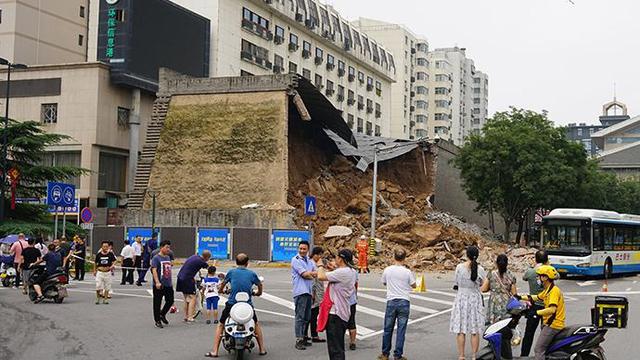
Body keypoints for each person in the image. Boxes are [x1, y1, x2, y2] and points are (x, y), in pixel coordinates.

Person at [206, 253, 267, 357]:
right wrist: (259, 293)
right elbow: (259, 285)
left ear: (236, 262)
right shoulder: (252, 274)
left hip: (232, 304)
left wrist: (221, 290)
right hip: (247, 305)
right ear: (247, 263)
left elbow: (223, 284)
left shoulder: (231, 272)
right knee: (256, 324)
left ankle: (215, 351)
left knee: (221, 324)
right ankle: (262, 349)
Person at [316, 249, 358, 360]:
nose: (335, 259)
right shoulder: (352, 271)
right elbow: (338, 273)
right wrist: (332, 268)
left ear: (341, 259)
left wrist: (320, 265)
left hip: (336, 314)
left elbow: (320, 276)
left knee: (335, 349)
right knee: (338, 345)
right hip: (344, 312)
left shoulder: (342, 272)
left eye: (336, 257)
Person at [517, 265, 565, 360]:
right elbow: (536, 297)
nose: (537, 278)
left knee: (538, 349)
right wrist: (519, 297)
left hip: (553, 325)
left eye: (539, 276)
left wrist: (536, 313)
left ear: (545, 277)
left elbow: (552, 309)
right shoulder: (548, 289)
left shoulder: (554, 291)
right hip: (550, 324)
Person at [450, 246, 488, 360]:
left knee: (461, 329)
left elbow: (456, 282)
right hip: (474, 299)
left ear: (467, 255)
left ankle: (461, 355)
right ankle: (474, 356)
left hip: (461, 298)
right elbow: (484, 285)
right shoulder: (480, 269)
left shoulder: (459, 267)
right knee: (474, 329)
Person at [378, 249, 416, 360]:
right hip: (404, 301)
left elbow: (384, 282)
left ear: (393, 257)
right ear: (404, 258)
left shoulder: (387, 270)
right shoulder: (407, 272)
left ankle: (385, 354)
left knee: (387, 329)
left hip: (391, 301)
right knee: (401, 330)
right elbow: (413, 285)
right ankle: (398, 355)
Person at [481, 254, 517, 359]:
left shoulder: (491, 274)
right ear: (507, 264)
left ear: (496, 263)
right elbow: (514, 293)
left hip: (494, 304)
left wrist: (493, 289)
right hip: (506, 305)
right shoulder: (511, 275)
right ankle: (506, 351)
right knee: (505, 329)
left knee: (493, 328)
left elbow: (483, 289)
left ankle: (493, 351)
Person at [520, 250, 548, 357]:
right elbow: (557, 275)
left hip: (534, 306)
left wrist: (534, 266)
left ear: (535, 259)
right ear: (546, 260)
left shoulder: (530, 272)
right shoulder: (549, 271)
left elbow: (524, 277)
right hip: (547, 306)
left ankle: (524, 355)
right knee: (546, 334)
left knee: (529, 333)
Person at [291, 241, 316, 350]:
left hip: (309, 292)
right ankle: (299, 339)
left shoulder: (310, 262)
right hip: (300, 292)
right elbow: (305, 275)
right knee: (300, 317)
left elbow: (315, 273)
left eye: (304, 249)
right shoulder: (295, 260)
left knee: (307, 317)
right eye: (300, 248)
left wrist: (312, 275)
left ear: (308, 250)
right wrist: (313, 275)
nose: (302, 251)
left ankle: (304, 337)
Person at [176, 251, 212, 322]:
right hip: (188, 279)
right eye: (209, 258)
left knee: (186, 298)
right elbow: (210, 269)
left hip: (180, 278)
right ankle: (190, 317)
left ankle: (186, 316)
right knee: (193, 298)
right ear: (207, 257)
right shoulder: (201, 262)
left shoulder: (194, 256)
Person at [152, 240, 175, 328]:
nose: (168, 249)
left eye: (169, 247)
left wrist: (171, 282)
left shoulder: (168, 257)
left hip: (168, 283)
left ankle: (162, 314)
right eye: (166, 247)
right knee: (157, 303)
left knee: (170, 300)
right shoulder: (156, 258)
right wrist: (157, 282)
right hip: (159, 284)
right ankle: (157, 320)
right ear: (161, 247)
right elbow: (154, 270)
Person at [306, 246, 326, 343]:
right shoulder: (312, 264)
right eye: (320, 255)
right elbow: (313, 280)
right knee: (312, 315)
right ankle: (314, 335)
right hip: (314, 293)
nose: (321, 257)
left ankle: (306, 334)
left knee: (311, 315)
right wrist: (313, 293)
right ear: (316, 255)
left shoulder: (313, 263)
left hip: (317, 292)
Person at [347, 272, 358, 351]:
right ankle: (352, 342)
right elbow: (356, 284)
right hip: (352, 300)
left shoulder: (339, 271)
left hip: (342, 302)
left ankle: (339, 341)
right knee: (352, 321)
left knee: (340, 322)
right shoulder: (354, 272)